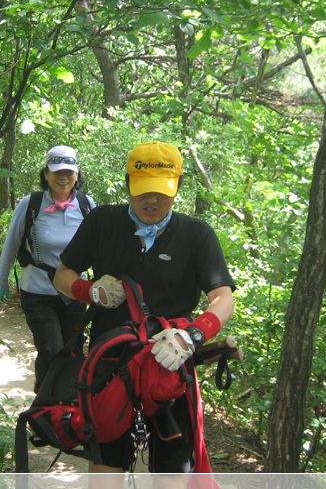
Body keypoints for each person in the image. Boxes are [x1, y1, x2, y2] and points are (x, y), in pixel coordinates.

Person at [53, 141, 235, 485]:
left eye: (162, 193)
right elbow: (62, 275)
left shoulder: (196, 235)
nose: (152, 202)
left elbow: (222, 297)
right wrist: (89, 290)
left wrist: (193, 334)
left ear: (177, 187)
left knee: (171, 475)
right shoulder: (102, 222)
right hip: (110, 367)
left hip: (170, 367)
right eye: (142, 192)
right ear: (127, 184)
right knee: (106, 470)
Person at [0, 145, 97, 393]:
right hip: (38, 290)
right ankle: (44, 401)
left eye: (69, 172)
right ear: (46, 174)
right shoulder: (31, 204)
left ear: (77, 174)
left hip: (75, 292)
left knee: (73, 350)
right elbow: (12, 242)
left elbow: (98, 244)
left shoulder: (87, 204)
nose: (63, 177)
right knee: (50, 349)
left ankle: (70, 405)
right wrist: (1, 280)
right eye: (57, 171)